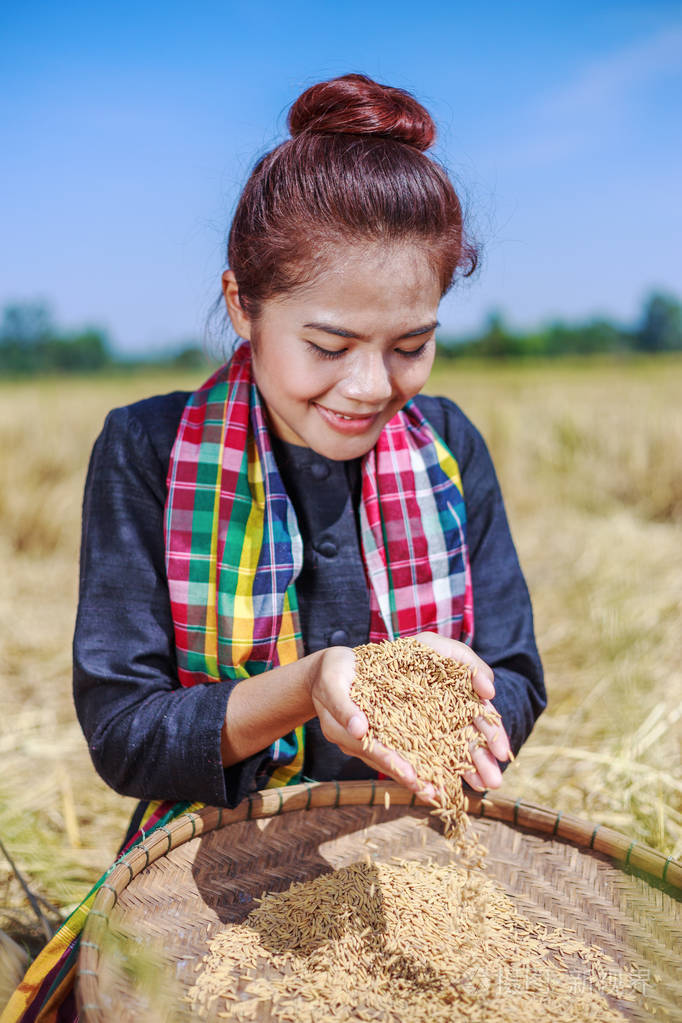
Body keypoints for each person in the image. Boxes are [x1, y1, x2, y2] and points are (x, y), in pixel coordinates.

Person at [4, 73, 545, 1023]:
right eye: (329, 344)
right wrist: (312, 685)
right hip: (208, 869)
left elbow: (515, 676)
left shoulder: (448, 447)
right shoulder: (148, 452)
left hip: (409, 865)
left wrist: (459, 693)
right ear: (242, 303)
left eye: (411, 344)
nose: (373, 385)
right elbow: (128, 732)